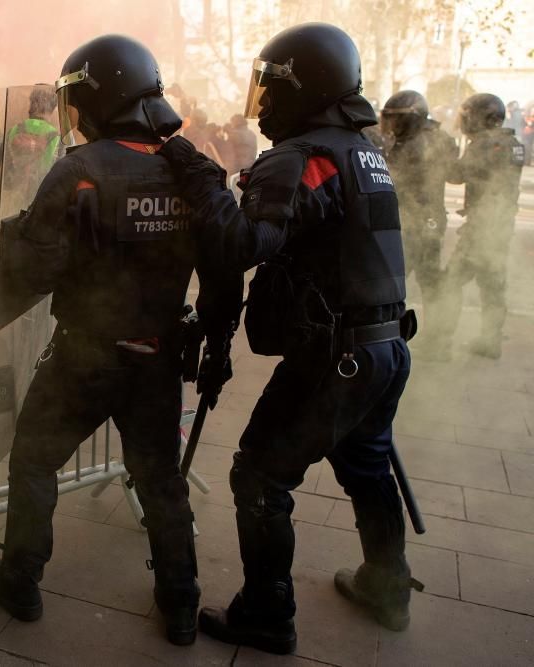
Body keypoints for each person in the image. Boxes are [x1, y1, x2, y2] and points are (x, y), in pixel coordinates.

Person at [159, 23, 419, 653]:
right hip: (384, 348)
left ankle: (267, 612)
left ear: (308, 86)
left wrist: (201, 176)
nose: (264, 104)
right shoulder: (365, 151)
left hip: (336, 357)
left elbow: (244, 245)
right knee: (366, 465)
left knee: (259, 477)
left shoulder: (303, 157)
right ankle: (387, 587)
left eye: (272, 88)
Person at [0, 34, 241, 647]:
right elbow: (223, 265)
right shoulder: (189, 169)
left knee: (35, 460)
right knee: (159, 479)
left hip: (84, 355)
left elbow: (37, 265)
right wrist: (215, 343)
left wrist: (15, 237)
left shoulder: (80, 169)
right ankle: (180, 603)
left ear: (96, 99)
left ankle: (21, 578)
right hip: (157, 356)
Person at [425, 93, 525, 360]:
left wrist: (438, 153)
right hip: (501, 229)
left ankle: (440, 345)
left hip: (480, 230)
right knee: (492, 285)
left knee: (449, 284)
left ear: (482, 117)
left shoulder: (484, 145)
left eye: (468, 115)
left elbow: (457, 175)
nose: (465, 120)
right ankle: (490, 341)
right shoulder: (512, 143)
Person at [379, 90, 457, 321]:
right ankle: (438, 338)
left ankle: (404, 334)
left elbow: (395, 181)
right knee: (429, 279)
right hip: (428, 219)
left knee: (397, 280)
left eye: (396, 118)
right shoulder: (436, 136)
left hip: (417, 221)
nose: (392, 124)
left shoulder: (415, 145)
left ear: (411, 118)